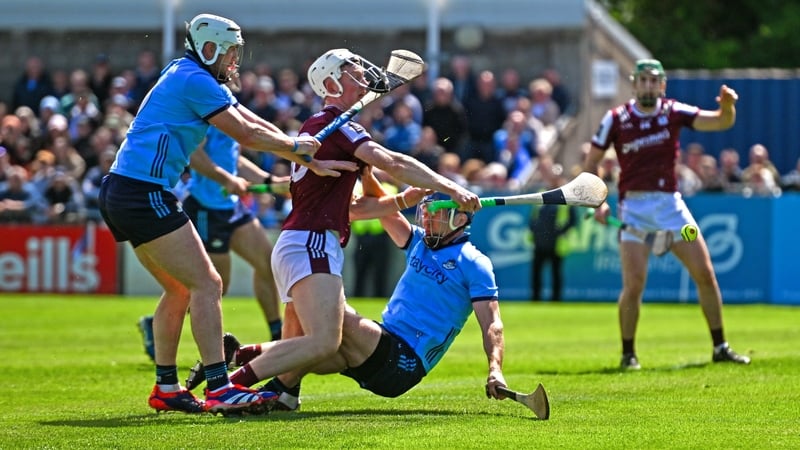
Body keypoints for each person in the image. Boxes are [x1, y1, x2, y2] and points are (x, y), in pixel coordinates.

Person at [97, 13, 343, 416]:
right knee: (208, 284)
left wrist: (296, 150)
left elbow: (249, 119)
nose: (233, 61)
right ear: (207, 48)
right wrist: (296, 146)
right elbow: (244, 135)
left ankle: (167, 388)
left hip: (122, 190)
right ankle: (219, 386)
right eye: (228, 52)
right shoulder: (194, 79)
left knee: (180, 289)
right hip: (143, 193)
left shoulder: (188, 74)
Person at [220, 48, 481, 394]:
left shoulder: (327, 128)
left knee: (299, 338)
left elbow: (353, 209)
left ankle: (278, 392)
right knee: (325, 341)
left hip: (301, 241)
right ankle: (223, 386)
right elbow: (393, 162)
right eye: (351, 69)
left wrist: (402, 200)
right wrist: (450, 186)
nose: (362, 74)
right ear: (330, 83)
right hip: (311, 242)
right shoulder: (336, 126)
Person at [225, 166, 507, 410]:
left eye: (434, 213)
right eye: (424, 212)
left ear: (459, 220)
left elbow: (492, 325)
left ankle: (234, 384)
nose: (425, 219)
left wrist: (495, 369)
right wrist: (368, 174)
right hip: (380, 343)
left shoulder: (474, 263)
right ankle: (265, 380)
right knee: (309, 339)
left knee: (330, 312)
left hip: (405, 361)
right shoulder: (420, 243)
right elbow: (385, 209)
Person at [584, 58, 750, 370]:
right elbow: (591, 164)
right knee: (634, 285)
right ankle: (628, 354)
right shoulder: (616, 118)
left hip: (671, 207)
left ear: (662, 85)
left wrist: (727, 107)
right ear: (634, 83)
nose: (648, 85)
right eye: (642, 80)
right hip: (633, 208)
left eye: (653, 80)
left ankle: (720, 346)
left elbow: (719, 122)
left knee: (705, 274)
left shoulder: (673, 111)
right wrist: (599, 203)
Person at [138, 123, 289, 365]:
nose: (238, 81)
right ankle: (155, 323)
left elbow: (234, 160)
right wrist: (227, 179)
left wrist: (271, 181)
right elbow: (194, 156)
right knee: (214, 287)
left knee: (267, 262)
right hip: (205, 207)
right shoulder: (209, 112)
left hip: (231, 205)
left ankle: (278, 335)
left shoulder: (230, 110)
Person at [529, 171, 578, 302]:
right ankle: (535, 298)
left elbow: (573, 220)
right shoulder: (541, 194)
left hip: (556, 242)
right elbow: (533, 216)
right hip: (540, 241)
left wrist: (560, 231)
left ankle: (556, 299)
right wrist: (534, 231)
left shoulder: (566, 197)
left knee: (556, 272)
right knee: (536, 272)